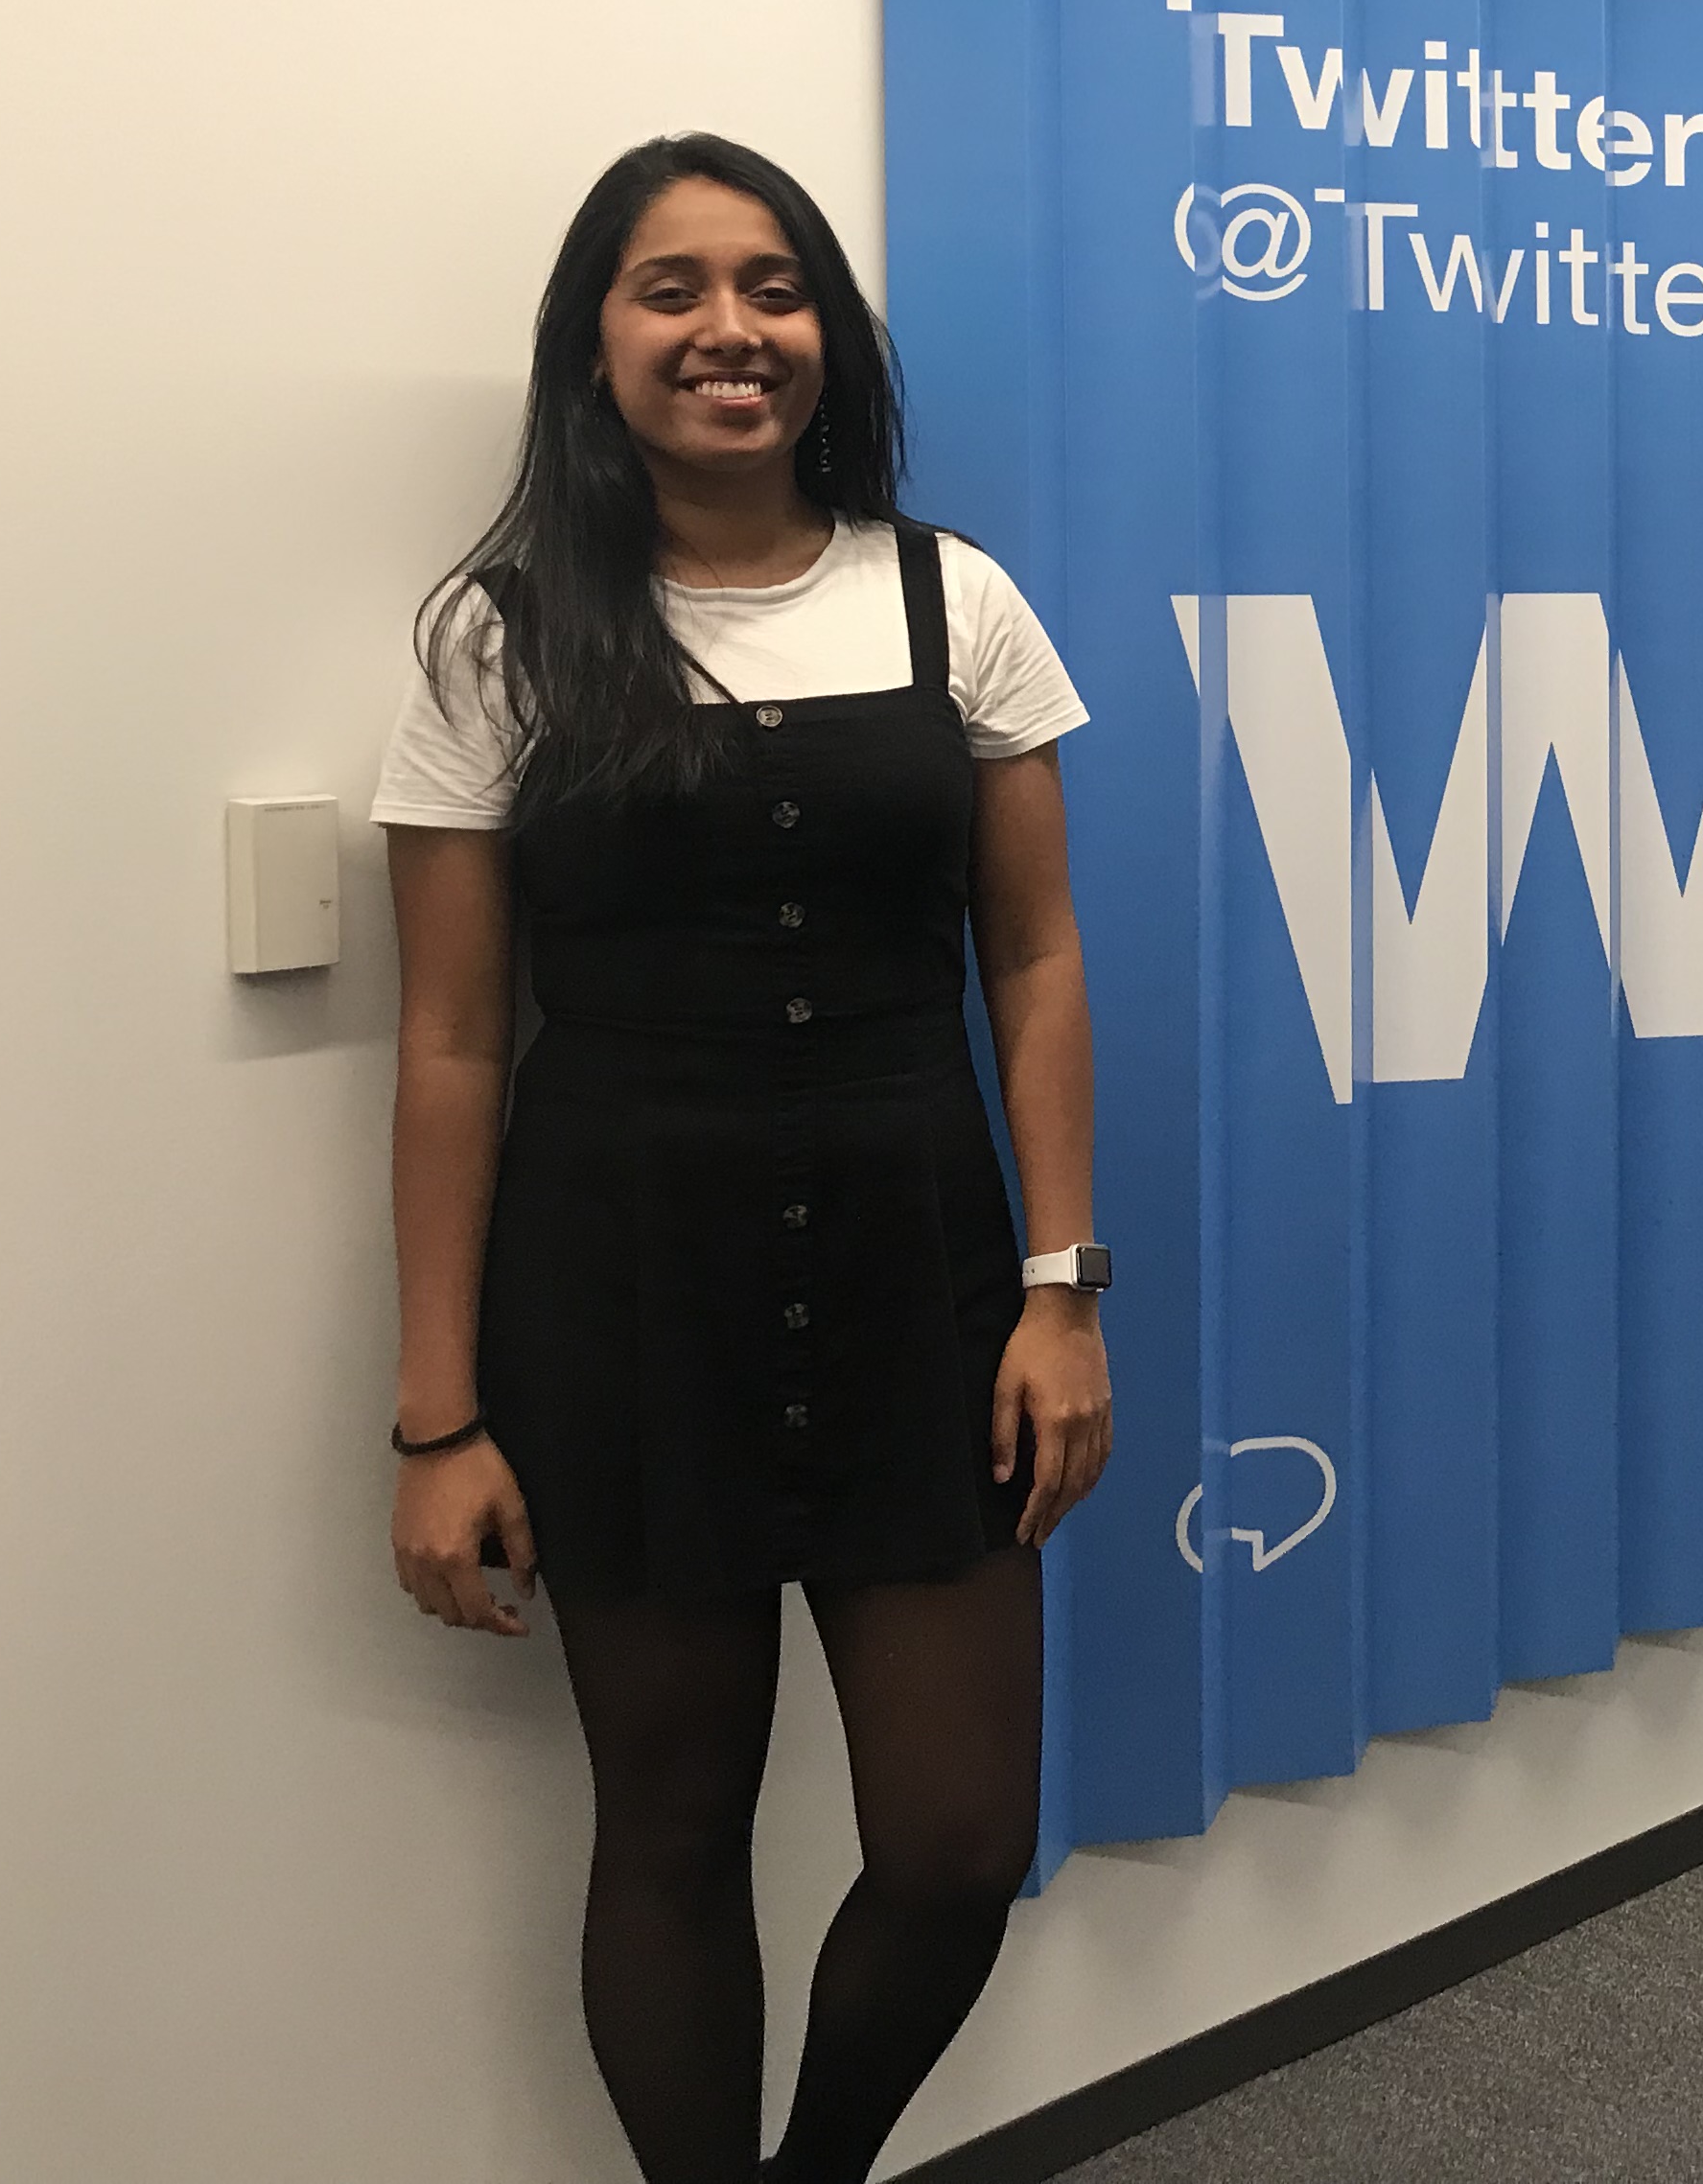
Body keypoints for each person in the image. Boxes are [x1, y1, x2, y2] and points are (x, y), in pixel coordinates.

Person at [372, 134, 1112, 2184]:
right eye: (673, 287)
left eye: (775, 288)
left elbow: (1037, 961)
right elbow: (450, 1045)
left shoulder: (954, 599)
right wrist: (437, 1418)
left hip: (921, 1281)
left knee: (957, 1842)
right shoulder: (499, 638)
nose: (731, 329)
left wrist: (1063, 1291)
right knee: (673, 1830)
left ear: (830, 337)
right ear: (595, 343)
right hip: (624, 1291)